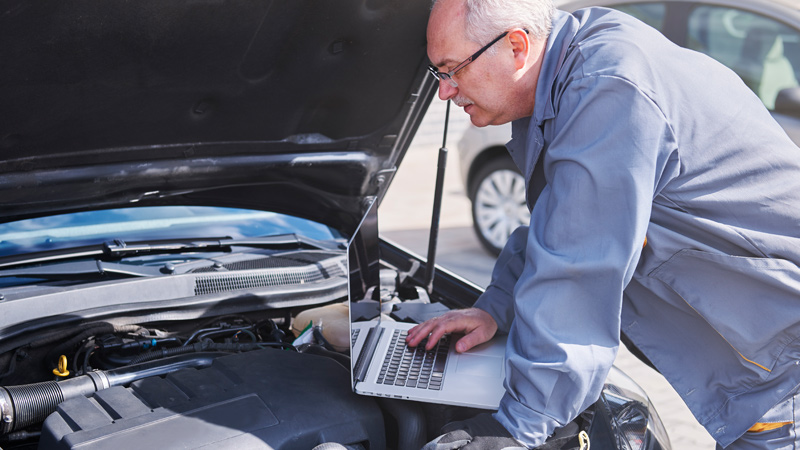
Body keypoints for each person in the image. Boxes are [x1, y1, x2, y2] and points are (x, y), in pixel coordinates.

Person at [406, 0, 800, 448]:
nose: (445, 91)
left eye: (453, 69)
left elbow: (578, 270)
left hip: (785, 364)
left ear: (517, 46)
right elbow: (562, 221)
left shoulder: (607, 89)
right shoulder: (574, 65)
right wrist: (495, 308)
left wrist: (517, 427)